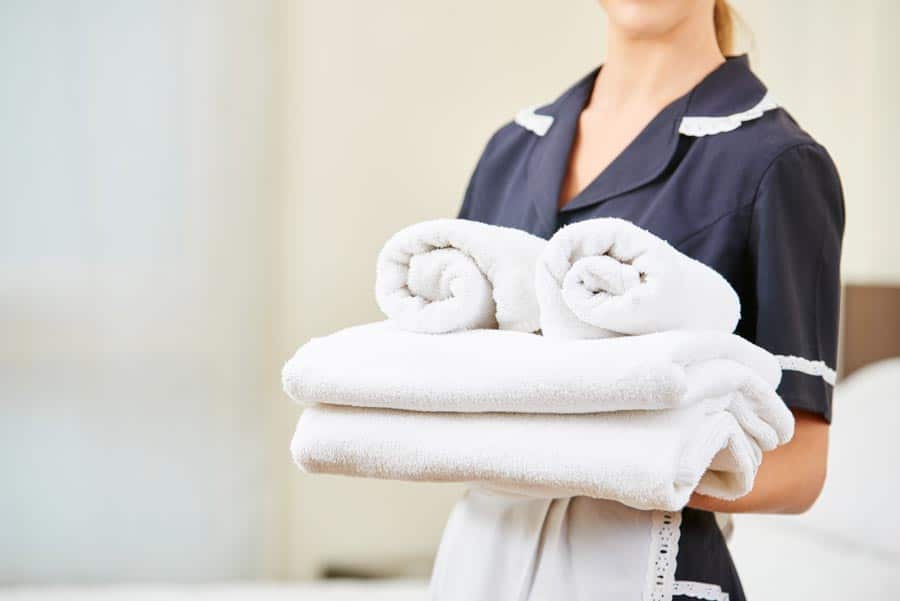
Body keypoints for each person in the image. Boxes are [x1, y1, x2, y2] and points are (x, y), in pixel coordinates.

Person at [452, 0, 845, 598]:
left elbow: (799, 469)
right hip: (483, 567)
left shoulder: (778, 164)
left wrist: (604, 466)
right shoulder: (510, 150)